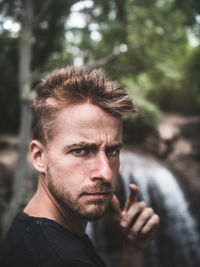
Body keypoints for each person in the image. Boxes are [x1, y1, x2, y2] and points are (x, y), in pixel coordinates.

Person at [0, 66, 159, 267]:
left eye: (112, 151)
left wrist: (133, 251)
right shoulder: (61, 260)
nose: (106, 172)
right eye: (80, 151)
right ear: (39, 156)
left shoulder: (31, 231)